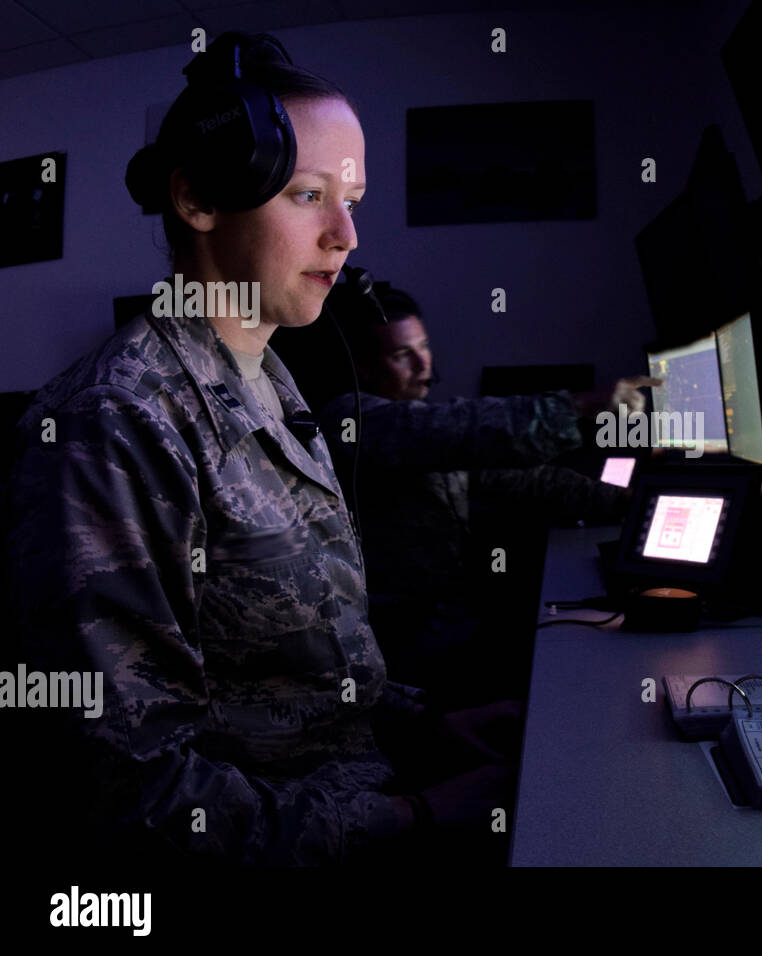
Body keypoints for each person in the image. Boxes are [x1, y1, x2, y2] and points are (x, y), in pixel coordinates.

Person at [4, 32, 508, 867]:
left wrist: (425, 723)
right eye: (310, 195)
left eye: (354, 199)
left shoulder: (267, 378)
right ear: (198, 200)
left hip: (368, 782)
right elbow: (133, 792)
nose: (346, 236)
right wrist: (419, 816)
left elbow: (287, 667)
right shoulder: (115, 424)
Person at [313, 280, 648, 701]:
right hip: (400, 640)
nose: (424, 366)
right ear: (362, 367)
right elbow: (456, 432)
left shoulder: (413, 421)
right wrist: (578, 406)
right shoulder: (351, 421)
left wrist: (620, 500)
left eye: (424, 347)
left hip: (446, 618)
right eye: (403, 355)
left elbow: (519, 477)